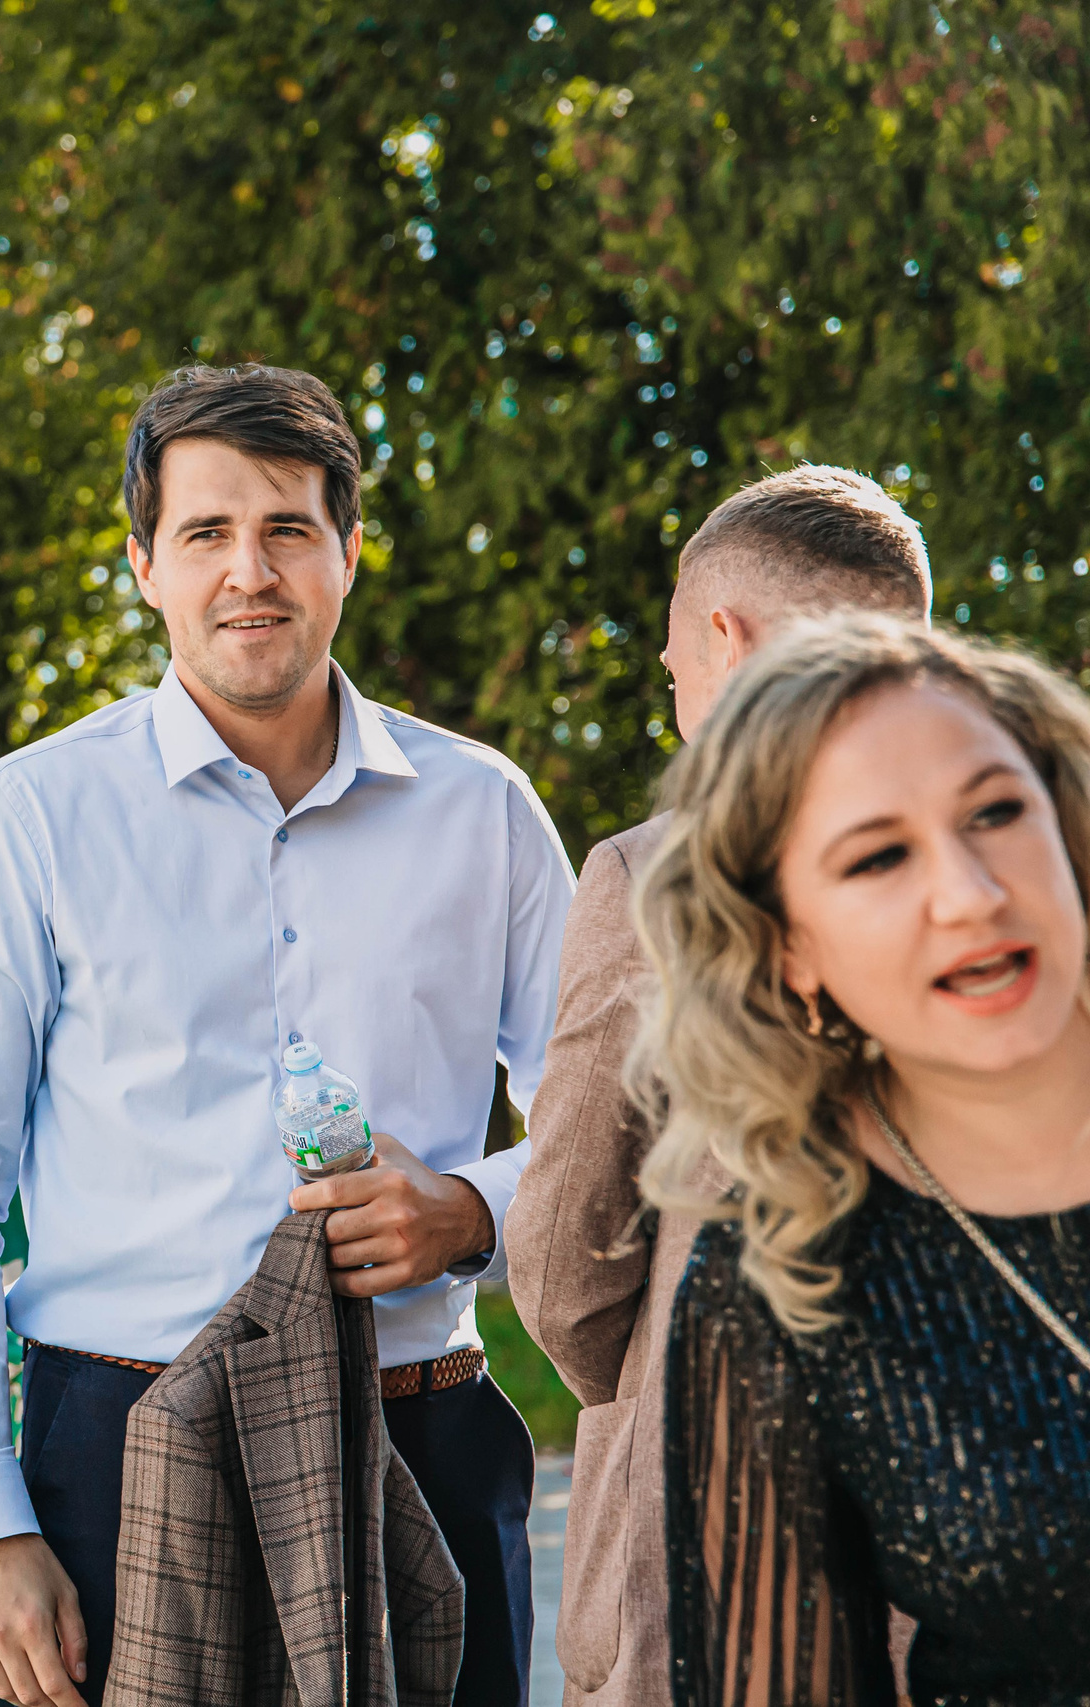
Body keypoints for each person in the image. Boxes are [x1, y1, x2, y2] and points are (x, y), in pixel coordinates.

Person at [0, 363, 574, 1707]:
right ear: (145, 561)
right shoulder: (26, 817)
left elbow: (618, 1123)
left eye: (288, 529)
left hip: (420, 1435)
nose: (248, 570)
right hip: (112, 1452)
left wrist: (469, 1208)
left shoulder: (483, 807)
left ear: (349, 553)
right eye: (206, 531)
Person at [507, 466, 930, 1707]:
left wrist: (642, 1374)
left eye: (671, 661)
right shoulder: (1018, 867)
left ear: (721, 638)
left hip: (706, 1550)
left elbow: (565, 1253)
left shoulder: (656, 878)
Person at [632, 615, 1090, 1704]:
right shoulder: (781, 1287)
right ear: (786, 943)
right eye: (878, 857)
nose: (970, 894)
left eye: (995, 812)